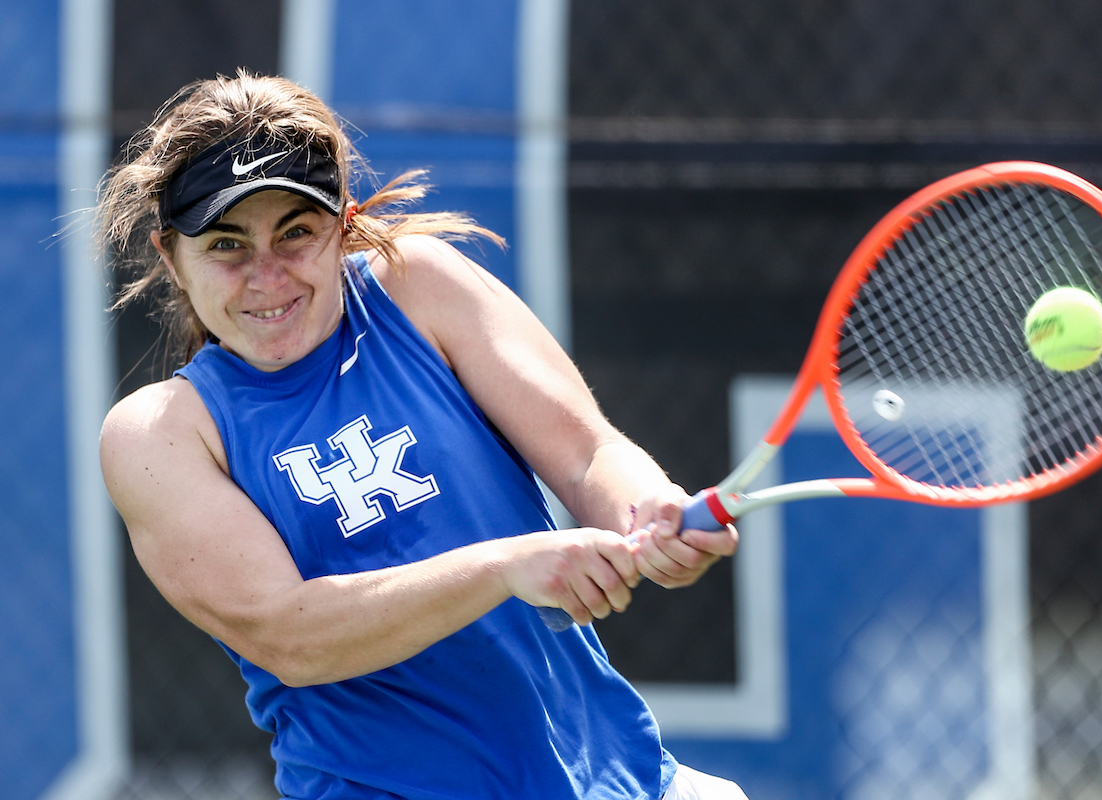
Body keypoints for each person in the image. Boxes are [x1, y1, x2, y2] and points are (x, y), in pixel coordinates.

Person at [97, 71, 747, 800]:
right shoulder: (157, 436)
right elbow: (292, 636)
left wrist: (648, 510)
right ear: (170, 256)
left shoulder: (421, 288)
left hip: (621, 777)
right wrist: (505, 568)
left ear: (342, 226)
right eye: (226, 244)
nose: (267, 276)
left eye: (296, 233)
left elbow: (590, 454)